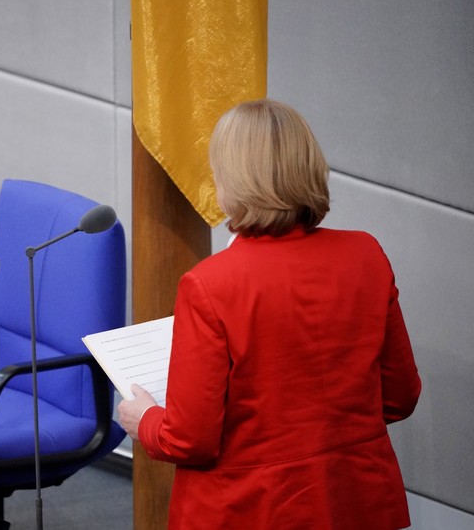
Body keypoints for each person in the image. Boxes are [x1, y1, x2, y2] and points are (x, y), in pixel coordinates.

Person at [118, 99, 421, 529]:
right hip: (354, 500)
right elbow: (400, 396)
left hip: (252, 509)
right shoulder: (366, 254)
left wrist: (145, 419)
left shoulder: (211, 284)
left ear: (230, 179)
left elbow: (190, 440)